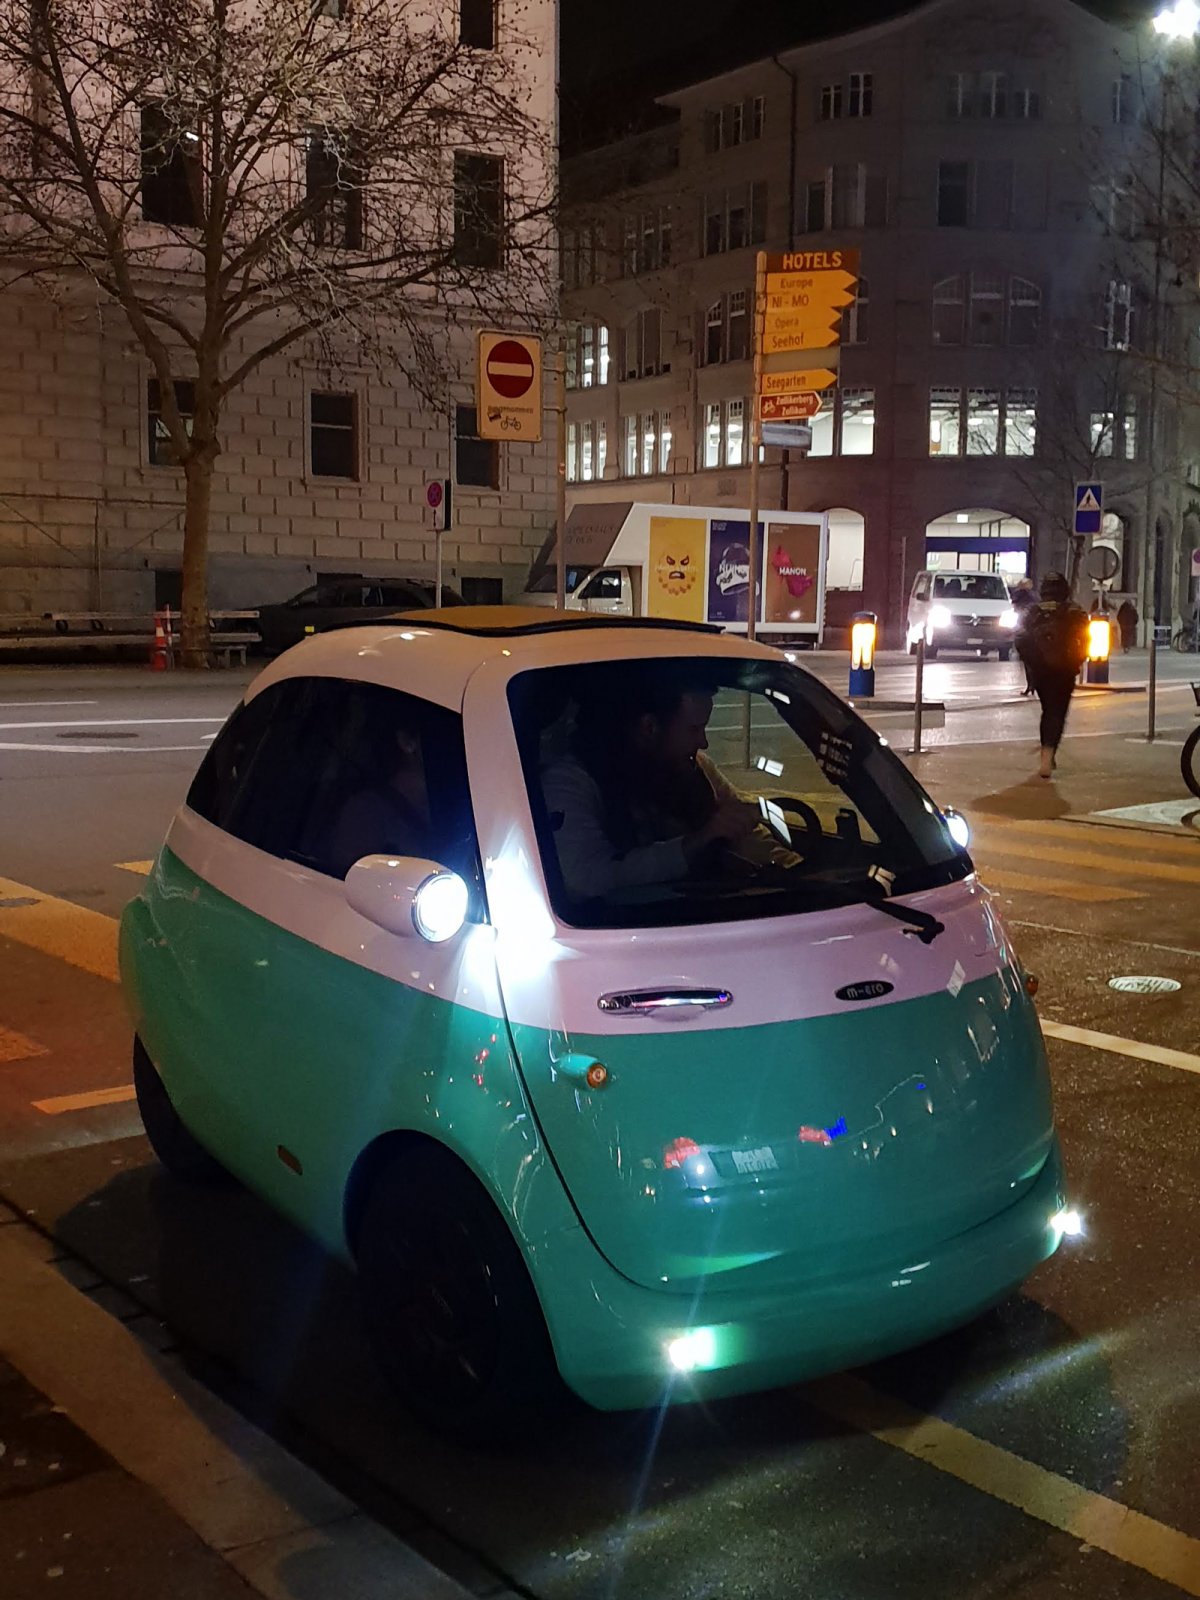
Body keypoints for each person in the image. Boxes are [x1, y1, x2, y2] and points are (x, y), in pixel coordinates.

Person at [540, 670, 786, 902]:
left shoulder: (699, 768)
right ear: (649, 727)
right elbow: (585, 878)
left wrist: (792, 868)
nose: (704, 741)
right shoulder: (571, 781)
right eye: (694, 729)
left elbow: (743, 829)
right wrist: (696, 843)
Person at [1015, 572, 1090, 780]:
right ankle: (1049, 754)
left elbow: (1020, 638)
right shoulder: (1074, 611)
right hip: (1065, 670)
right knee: (1058, 712)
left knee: (1047, 710)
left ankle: (1046, 756)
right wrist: (1077, 660)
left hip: (1041, 671)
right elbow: (1086, 638)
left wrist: (1033, 663)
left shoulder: (1034, 611)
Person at [1010, 577, 1037, 694]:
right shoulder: (1034, 596)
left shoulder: (1020, 596)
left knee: (1028, 661)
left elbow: (1014, 604)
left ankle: (1031, 685)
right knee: (1031, 662)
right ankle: (1032, 685)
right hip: (1031, 632)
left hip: (1025, 632)